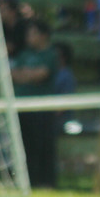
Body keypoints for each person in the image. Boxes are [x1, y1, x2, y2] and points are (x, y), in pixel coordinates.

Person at [11, 19, 59, 188]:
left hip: (42, 110)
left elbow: (41, 74)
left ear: (44, 36)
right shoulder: (24, 54)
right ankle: (27, 182)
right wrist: (28, 75)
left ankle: (45, 183)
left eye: (33, 33)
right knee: (25, 147)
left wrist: (26, 75)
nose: (28, 37)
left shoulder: (51, 55)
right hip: (22, 108)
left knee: (43, 147)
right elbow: (12, 74)